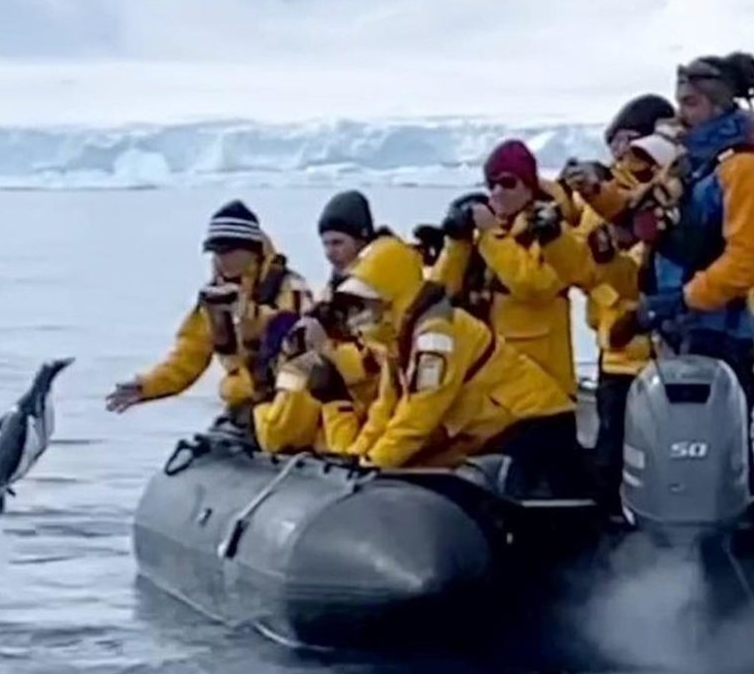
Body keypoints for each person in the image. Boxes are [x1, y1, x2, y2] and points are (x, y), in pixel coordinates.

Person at [609, 52, 754, 491]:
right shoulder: (690, 166)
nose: (679, 114)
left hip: (722, 336)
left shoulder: (744, 169)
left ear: (718, 106)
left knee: (724, 458)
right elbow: (637, 218)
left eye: (690, 103)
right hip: (680, 335)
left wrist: (680, 300)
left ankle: (748, 545)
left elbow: (745, 261)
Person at [318, 233, 586, 495]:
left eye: (368, 300)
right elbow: (386, 408)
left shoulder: (436, 337)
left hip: (532, 427)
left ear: (391, 296)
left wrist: (374, 464)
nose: (363, 310)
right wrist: (355, 457)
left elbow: (419, 417)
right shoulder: (398, 340)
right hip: (493, 432)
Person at [530, 94, 677, 515]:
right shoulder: (597, 202)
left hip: (658, 350)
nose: (618, 152)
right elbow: (584, 271)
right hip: (616, 352)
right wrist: (553, 234)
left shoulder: (660, 200)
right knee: (611, 457)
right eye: (613, 142)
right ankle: (614, 540)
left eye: (627, 141)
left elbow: (635, 275)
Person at [105, 200, 310, 423]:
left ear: (252, 250)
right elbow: (189, 356)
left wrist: (245, 313)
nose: (222, 259)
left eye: (229, 251)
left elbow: (297, 341)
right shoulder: (214, 298)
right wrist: (147, 386)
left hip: (287, 405)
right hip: (242, 407)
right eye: (216, 251)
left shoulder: (291, 288)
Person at [429, 139, 579, 399]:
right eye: (492, 184)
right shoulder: (486, 237)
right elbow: (439, 295)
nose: (498, 191)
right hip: (491, 383)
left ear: (529, 186)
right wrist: (457, 244)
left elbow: (535, 286)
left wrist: (491, 235)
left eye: (508, 183)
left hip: (543, 385)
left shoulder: (552, 233)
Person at [251, 190, 385, 453]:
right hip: (335, 371)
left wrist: (326, 351)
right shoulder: (337, 285)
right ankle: (270, 422)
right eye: (325, 244)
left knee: (303, 377)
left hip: (363, 386)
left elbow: (379, 353)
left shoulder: (375, 288)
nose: (330, 252)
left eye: (337, 243)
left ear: (361, 239)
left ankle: (273, 427)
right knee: (295, 371)